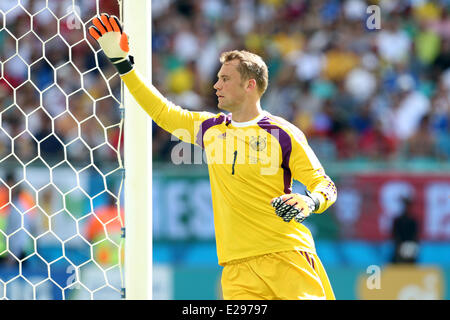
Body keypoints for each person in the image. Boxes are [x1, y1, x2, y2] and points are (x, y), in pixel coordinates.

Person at [88, 14, 337, 300]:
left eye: (225, 79)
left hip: (286, 257)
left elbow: (324, 184)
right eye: (217, 78)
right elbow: (161, 111)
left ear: (250, 85)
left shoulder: (283, 134)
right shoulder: (210, 129)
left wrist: (310, 200)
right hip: (236, 268)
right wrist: (124, 65)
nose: (216, 85)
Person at [391, 197, 419, 264]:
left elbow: (415, 236)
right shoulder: (398, 220)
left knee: (411, 256)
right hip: (399, 246)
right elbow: (395, 235)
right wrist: (400, 245)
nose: (406, 208)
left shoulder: (413, 221)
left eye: (408, 206)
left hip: (410, 246)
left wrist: (410, 245)